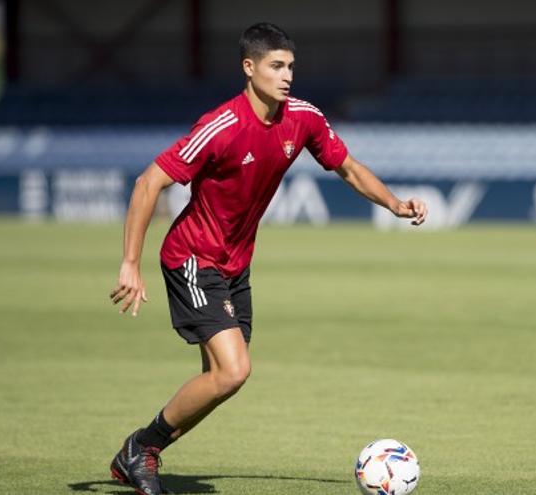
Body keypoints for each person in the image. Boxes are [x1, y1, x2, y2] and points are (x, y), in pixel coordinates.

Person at [108, 22, 427, 495]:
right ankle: (141, 449)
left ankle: (136, 456)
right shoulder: (221, 126)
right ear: (249, 67)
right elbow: (147, 182)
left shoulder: (303, 118)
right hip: (193, 257)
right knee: (233, 371)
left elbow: (349, 168)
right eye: (277, 66)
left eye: (291, 66)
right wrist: (130, 262)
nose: (287, 75)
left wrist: (395, 204)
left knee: (219, 380)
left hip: (236, 267)